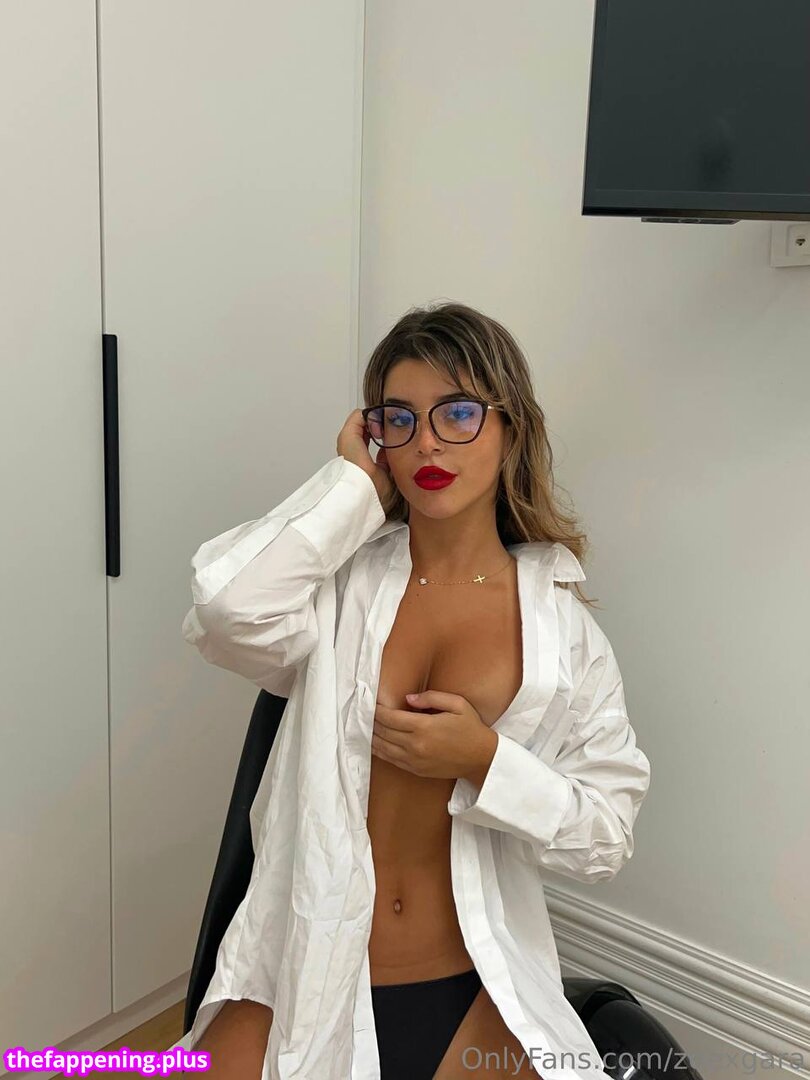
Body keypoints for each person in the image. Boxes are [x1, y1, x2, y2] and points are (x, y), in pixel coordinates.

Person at [178, 302, 651, 1079]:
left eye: (457, 413)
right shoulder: (336, 588)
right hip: (301, 970)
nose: (426, 441)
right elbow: (227, 612)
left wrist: (484, 761)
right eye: (398, 418)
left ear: (510, 429)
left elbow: (606, 836)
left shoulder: (562, 633)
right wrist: (349, 488)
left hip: (470, 983)